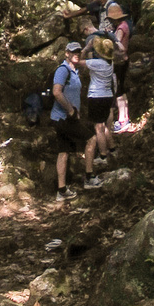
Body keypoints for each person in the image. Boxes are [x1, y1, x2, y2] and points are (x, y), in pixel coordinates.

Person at [51, 41, 97, 200]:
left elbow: (81, 56)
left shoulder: (73, 69)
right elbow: (56, 92)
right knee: (91, 139)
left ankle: (62, 190)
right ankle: (89, 178)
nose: (76, 53)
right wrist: (70, 110)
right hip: (64, 118)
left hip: (61, 118)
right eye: (73, 51)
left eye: (78, 51)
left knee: (63, 151)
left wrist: (88, 47)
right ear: (66, 53)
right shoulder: (63, 70)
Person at [80, 34, 118, 173]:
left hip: (96, 96)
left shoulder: (97, 63)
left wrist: (87, 47)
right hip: (107, 96)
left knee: (98, 128)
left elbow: (78, 61)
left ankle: (103, 155)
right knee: (103, 125)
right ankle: (111, 149)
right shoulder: (110, 62)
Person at [105, 1, 132, 132]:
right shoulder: (125, 25)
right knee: (122, 90)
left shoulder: (121, 28)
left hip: (119, 62)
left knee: (118, 92)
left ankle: (122, 121)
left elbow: (118, 45)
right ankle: (124, 118)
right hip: (124, 61)